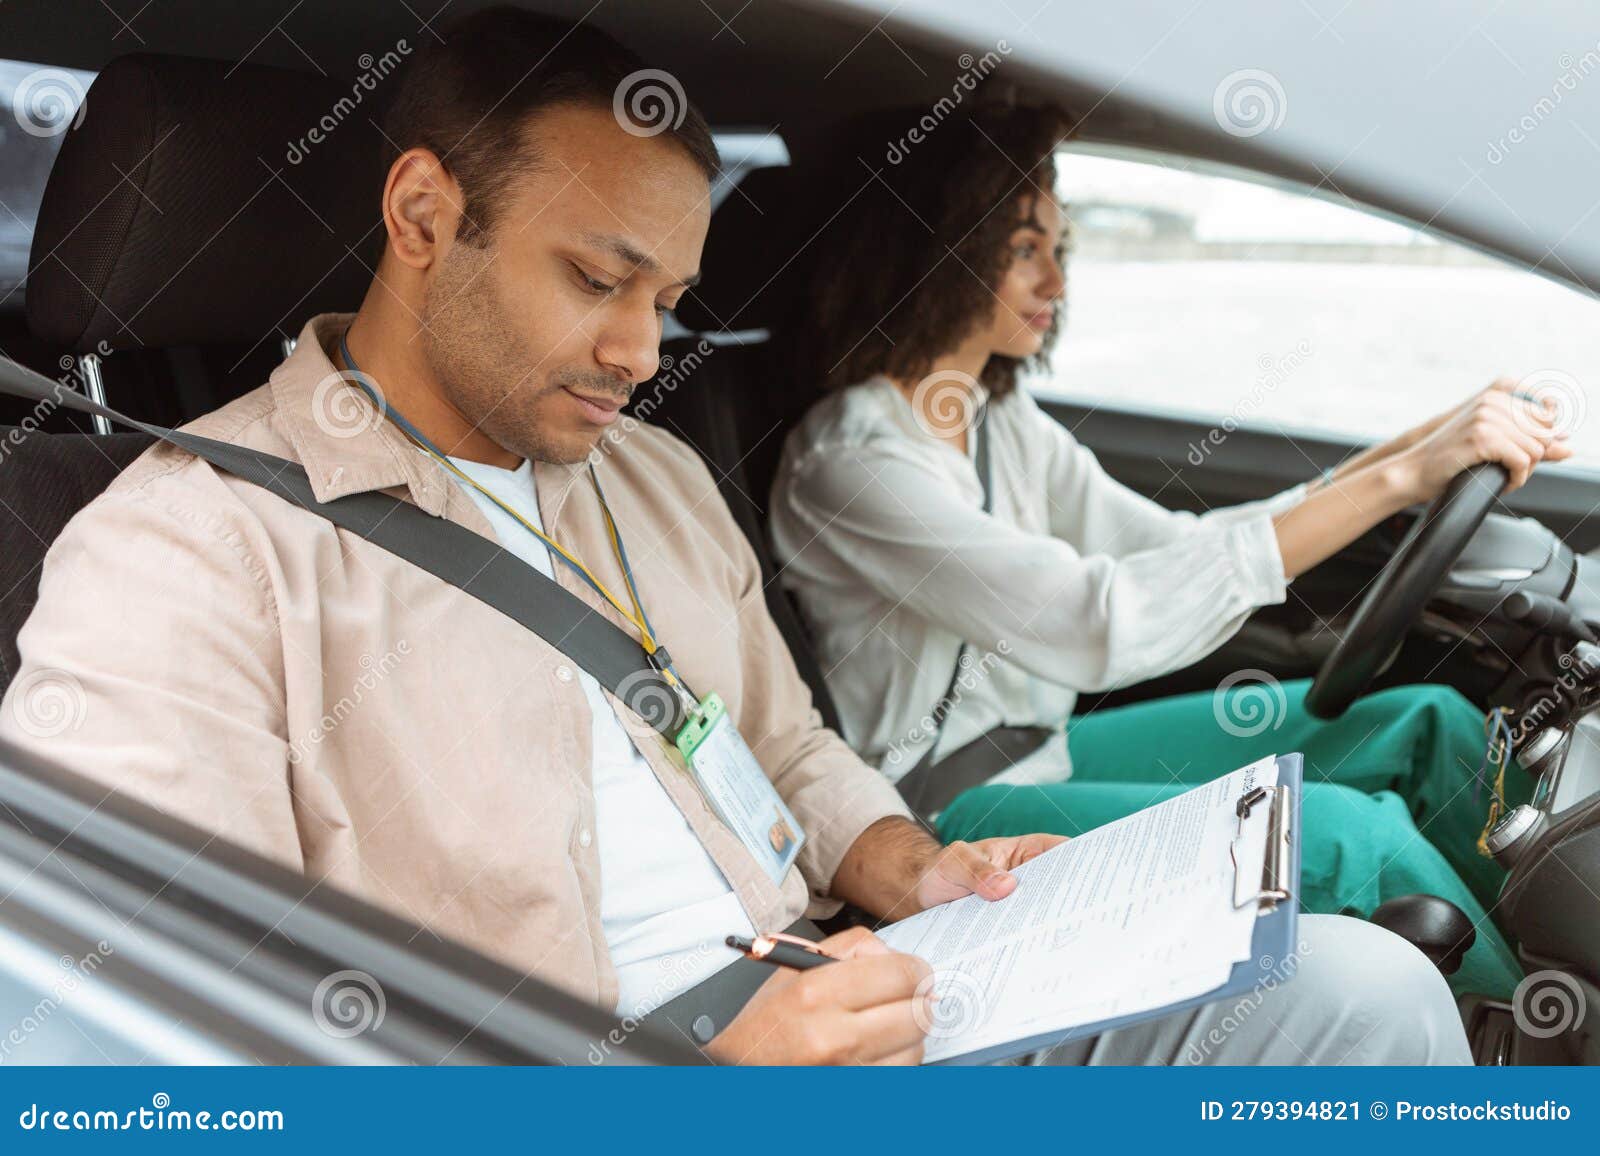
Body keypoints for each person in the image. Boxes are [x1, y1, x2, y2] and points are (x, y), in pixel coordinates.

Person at [0, 10, 1470, 1065]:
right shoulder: (186, 557)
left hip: (848, 975)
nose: (645, 350)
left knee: (1359, 991)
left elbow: (786, 741)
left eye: (673, 300)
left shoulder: (646, 476)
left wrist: (905, 862)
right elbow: (165, 1049)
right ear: (426, 214)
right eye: (598, 277)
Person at [768, 103, 1570, 1002]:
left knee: (1430, 722)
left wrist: (1419, 453)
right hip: (945, 813)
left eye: (1061, 250)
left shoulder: (998, 422)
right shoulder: (854, 464)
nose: (1056, 282)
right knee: (1349, 837)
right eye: (1024, 248)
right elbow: (1094, 622)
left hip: (1049, 747)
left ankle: (1559, 957)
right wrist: (1395, 479)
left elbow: (1181, 548)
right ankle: (1550, 1049)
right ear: (936, 246)